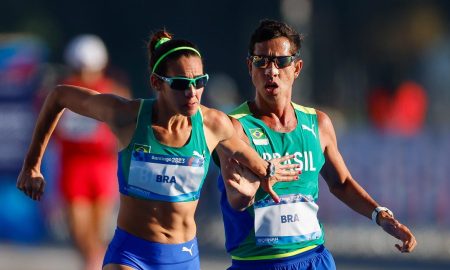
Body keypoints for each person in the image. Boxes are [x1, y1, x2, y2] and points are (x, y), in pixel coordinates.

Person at [16, 30, 300, 270]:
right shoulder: (127, 116)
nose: (192, 93)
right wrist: (32, 164)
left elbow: (244, 154)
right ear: (156, 83)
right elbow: (58, 96)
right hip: (130, 253)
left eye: (199, 82)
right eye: (181, 85)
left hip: (183, 257)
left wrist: (267, 171)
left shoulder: (212, 124)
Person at [215, 19, 417, 270]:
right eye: (261, 61)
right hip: (258, 263)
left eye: (281, 61)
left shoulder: (318, 123)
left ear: (297, 67)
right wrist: (256, 183)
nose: (271, 71)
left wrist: (381, 216)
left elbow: (341, 183)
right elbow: (236, 198)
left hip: (313, 259)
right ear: (250, 66)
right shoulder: (234, 127)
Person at [52, 34, 130, 270]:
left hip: (102, 166)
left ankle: (94, 265)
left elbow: (128, 130)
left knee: (99, 232)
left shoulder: (114, 91)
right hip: (73, 166)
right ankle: (92, 263)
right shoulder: (62, 91)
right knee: (78, 231)